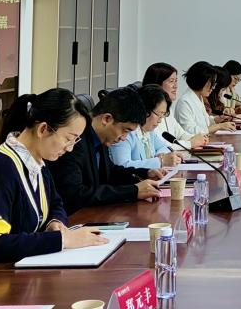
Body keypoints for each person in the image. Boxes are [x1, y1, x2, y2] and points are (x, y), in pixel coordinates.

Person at [0, 89, 107, 280]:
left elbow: (55, 203)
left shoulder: (37, 162)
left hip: (23, 274)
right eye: (68, 139)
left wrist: (55, 223)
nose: (70, 148)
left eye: (75, 140)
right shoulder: (0, 170)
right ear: (43, 129)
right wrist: (61, 239)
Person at [48, 86, 163, 214]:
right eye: (125, 130)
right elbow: (75, 194)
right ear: (107, 119)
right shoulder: (75, 141)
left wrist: (145, 173)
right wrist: (133, 191)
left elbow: (110, 172)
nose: (124, 138)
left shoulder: (100, 138)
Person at [110, 84, 183, 171]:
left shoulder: (148, 131)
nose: (160, 121)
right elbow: (122, 166)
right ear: (145, 110)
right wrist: (160, 161)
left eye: (163, 115)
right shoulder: (125, 132)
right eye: (158, 115)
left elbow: (163, 147)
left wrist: (161, 155)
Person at [170, 61, 228, 145]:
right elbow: (190, 131)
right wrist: (219, 126)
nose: (213, 87)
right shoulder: (184, 102)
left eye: (214, 83)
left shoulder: (199, 97)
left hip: (203, 142)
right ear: (201, 81)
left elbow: (203, 122)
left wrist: (216, 119)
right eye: (211, 83)